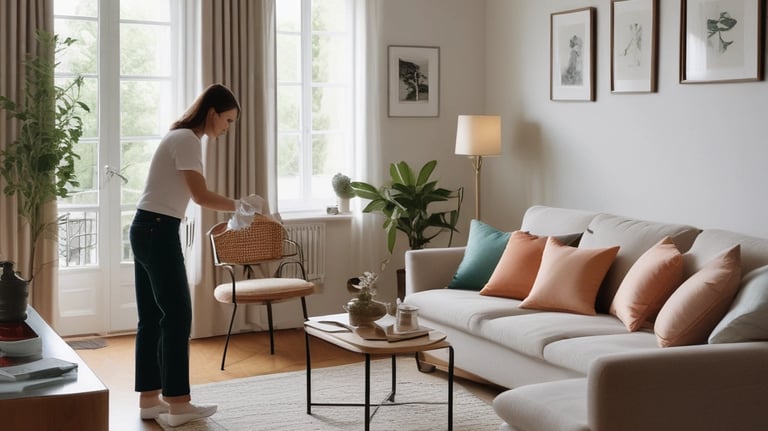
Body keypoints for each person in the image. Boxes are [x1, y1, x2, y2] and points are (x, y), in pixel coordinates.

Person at [130, 83, 248, 426]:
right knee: (178, 314)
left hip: (145, 227)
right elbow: (200, 196)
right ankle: (179, 404)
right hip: (158, 229)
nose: (226, 129)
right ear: (212, 113)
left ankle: (150, 401)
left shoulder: (180, 137)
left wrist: (234, 210)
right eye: (226, 121)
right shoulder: (187, 140)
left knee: (152, 317)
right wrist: (239, 206)